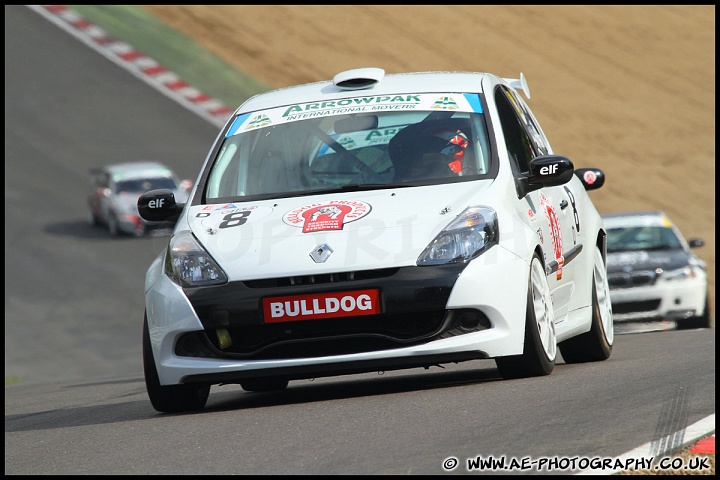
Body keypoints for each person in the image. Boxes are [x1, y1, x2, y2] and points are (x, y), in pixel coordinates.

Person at [389, 119, 471, 181]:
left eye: (436, 159)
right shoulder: (393, 181)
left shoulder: (478, 185)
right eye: (428, 159)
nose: (434, 165)